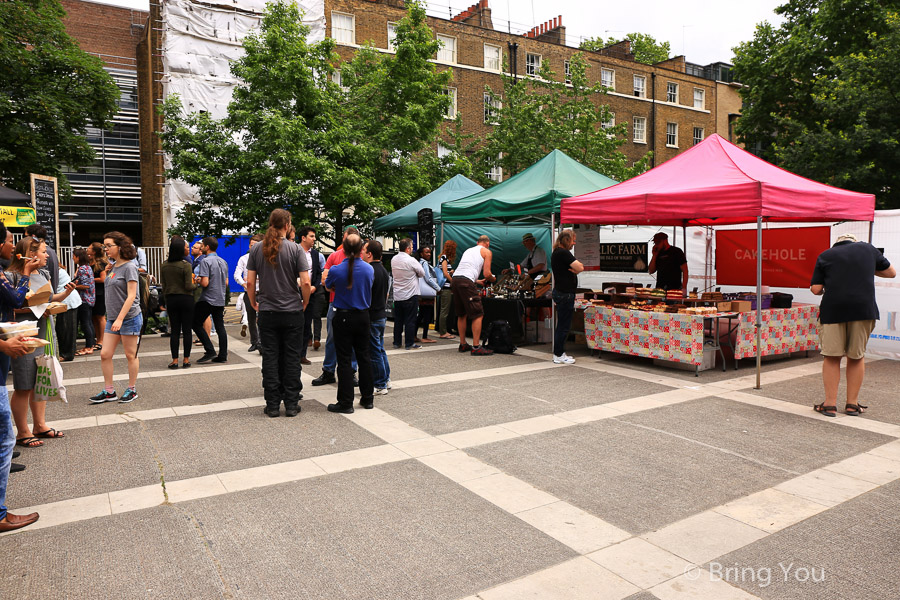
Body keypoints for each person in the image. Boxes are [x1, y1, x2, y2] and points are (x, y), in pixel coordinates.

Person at [810, 233, 896, 417]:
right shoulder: (868, 249)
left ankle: (830, 405)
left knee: (832, 357)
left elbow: (816, 289)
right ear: (854, 242)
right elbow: (891, 272)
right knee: (856, 357)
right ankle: (852, 404)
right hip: (863, 310)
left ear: (836, 244)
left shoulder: (826, 255)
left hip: (834, 310)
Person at [8, 236, 77, 447]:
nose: (48, 255)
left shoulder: (44, 273)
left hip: (44, 330)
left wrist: (65, 293)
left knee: (41, 379)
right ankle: (22, 431)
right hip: (22, 332)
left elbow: (48, 298)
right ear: (31, 254)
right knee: (24, 384)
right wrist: (36, 308)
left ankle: (40, 425)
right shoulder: (11, 275)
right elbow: (12, 305)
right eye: (44, 251)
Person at [246, 209, 311, 418]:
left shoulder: (257, 250)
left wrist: (254, 302)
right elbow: (306, 282)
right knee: (292, 357)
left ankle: (272, 404)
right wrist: (304, 303)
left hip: (268, 311)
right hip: (292, 310)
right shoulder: (295, 249)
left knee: (270, 357)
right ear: (287, 225)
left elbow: (249, 282)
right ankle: (292, 403)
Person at [0, 222, 40, 532]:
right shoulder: (7, 272)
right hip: (8, 344)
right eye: (10, 239)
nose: (12, 244)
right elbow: (16, 301)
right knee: (5, 435)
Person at [89, 231, 142, 405]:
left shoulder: (130, 267)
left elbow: (131, 296)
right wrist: (107, 271)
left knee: (130, 355)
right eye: (104, 246)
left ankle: (131, 389)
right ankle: (109, 391)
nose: (106, 249)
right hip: (113, 317)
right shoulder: (112, 267)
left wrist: (120, 319)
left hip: (129, 317)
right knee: (105, 354)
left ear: (120, 247)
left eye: (109, 246)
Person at [324, 234, 374, 414]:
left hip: (343, 316)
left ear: (343, 249)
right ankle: (368, 398)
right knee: (364, 357)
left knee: (344, 359)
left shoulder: (336, 269)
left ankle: (346, 402)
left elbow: (328, 286)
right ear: (362, 249)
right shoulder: (369, 269)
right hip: (363, 316)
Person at [312, 227, 359, 386]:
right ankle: (329, 371)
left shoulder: (361, 258)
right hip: (335, 303)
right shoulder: (334, 256)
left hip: (352, 305)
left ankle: (351, 371)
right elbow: (325, 280)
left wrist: (334, 283)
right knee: (332, 339)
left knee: (353, 340)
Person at [451, 235, 495, 355]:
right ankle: (476, 347)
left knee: (462, 314)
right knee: (478, 314)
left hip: (455, 280)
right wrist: (493, 278)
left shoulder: (468, 250)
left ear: (477, 242)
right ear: (487, 243)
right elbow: (487, 273)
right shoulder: (487, 251)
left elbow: (464, 270)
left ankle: (463, 344)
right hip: (466, 281)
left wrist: (476, 281)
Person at [160, 237, 196, 369]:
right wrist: (196, 284)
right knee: (187, 330)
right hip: (186, 299)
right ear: (181, 250)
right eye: (186, 247)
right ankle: (186, 360)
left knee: (174, 330)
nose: (188, 249)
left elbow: (164, 286)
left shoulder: (164, 265)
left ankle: (174, 360)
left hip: (171, 299)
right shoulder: (186, 265)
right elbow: (188, 286)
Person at [193, 236, 229, 363]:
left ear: (207, 247)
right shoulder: (223, 261)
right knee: (220, 327)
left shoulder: (205, 261)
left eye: (202, 245)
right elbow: (226, 282)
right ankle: (223, 355)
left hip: (208, 298)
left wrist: (198, 280)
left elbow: (205, 283)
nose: (201, 247)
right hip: (220, 297)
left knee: (195, 322)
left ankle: (210, 350)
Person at [550, 229, 584, 364]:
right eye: (573, 240)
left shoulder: (557, 252)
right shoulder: (563, 253)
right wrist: (575, 270)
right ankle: (558, 354)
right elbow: (580, 267)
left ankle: (559, 353)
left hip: (561, 292)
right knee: (563, 325)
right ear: (566, 240)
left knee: (562, 324)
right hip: (565, 293)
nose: (574, 243)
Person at [362, 240, 390, 395]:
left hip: (372, 316)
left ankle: (380, 384)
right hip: (381, 314)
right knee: (380, 349)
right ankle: (386, 378)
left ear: (370, 254)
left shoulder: (370, 270)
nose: (362, 253)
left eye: (364, 250)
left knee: (374, 352)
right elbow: (385, 294)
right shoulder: (383, 270)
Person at [390, 238, 425, 350]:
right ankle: (409, 343)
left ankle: (397, 342)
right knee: (410, 320)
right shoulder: (411, 260)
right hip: (410, 293)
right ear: (408, 248)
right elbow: (422, 273)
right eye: (411, 247)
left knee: (398, 320)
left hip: (398, 294)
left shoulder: (394, 259)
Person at [298, 227, 323, 365]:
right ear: (303, 237)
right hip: (295, 293)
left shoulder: (315, 254)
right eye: (312, 236)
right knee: (296, 324)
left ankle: (302, 354)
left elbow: (318, 272)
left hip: (311, 293)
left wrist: (315, 285)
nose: (314, 239)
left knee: (307, 324)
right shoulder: (294, 251)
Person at [235, 234, 263, 352]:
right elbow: (237, 275)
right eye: (251, 245)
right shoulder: (244, 258)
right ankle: (254, 342)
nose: (253, 248)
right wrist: (244, 283)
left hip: (262, 292)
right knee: (250, 318)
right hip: (249, 292)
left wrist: (254, 279)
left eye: (256, 245)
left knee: (262, 318)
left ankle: (262, 342)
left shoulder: (265, 259)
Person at [54, 266, 82, 362]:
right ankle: (68, 352)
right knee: (66, 329)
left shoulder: (56, 271)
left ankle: (67, 354)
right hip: (66, 301)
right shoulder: (58, 270)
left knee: (66, 330)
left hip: (68, 301)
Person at [72, 248, 96, 356]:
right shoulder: (88, 267)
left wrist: (73, 286)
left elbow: (86, 285)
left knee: (85, 323)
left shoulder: (82, 269)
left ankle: (88, 346)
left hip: (84, 299)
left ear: (78, 257)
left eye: (74, 256)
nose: (73, 258)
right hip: (90, 298)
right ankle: (91, 344)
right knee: (89, 322)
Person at [415, 245, 440, 344]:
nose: (429, 254)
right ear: (421, 253)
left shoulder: (418, 262)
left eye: (430, 252)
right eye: (427, 252)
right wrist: (438, 288)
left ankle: (414, 335)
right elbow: (428, 278)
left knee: (421, 314)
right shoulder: (424, 263)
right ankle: (425, 336)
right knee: (427, 315)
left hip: (421, 292)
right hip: (427, 293)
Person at [436, 240, 457, 339]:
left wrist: (450, 271)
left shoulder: (443, 258)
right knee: (444, 311)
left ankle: (443, 330)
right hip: (446, 288)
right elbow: (444, 273)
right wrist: (452, 281)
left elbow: (445, 271)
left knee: (444, 310)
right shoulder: (444, 258)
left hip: (445, 287)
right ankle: (443, 332)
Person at [89, 242, 107, 351]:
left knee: (100, 316)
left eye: (89, 248)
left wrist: (90, 280)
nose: (87, 249)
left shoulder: (101, 263)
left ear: (94, 251)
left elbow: (103, 279)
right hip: (93, 292)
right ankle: (98, 339)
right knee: (94, 317)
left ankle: (102, 340)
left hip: (100, 292)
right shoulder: (92, 262)